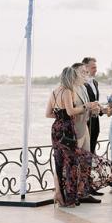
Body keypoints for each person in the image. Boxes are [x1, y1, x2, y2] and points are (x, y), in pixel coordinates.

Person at [45, 65, 105, 207]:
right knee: (70, 163)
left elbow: (48, 114)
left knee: (59, 162)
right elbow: (71, 111)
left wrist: (60, 117)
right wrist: (86, 106)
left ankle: (60, 195)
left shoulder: (54, 92)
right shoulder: (67, 91)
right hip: (67, 128)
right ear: (71, 77)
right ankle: (69, 199)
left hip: (56, 128)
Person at [82, 57, 101, 154]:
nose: (96, 70)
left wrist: (102, 109)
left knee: (92, 150)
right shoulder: (81, 84)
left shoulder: (95, 82)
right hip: (85, 122)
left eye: (96, 67)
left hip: (95, 121)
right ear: (85, 68)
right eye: (93, 67)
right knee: (84, 152)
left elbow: (95, 101)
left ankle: (89, 169)